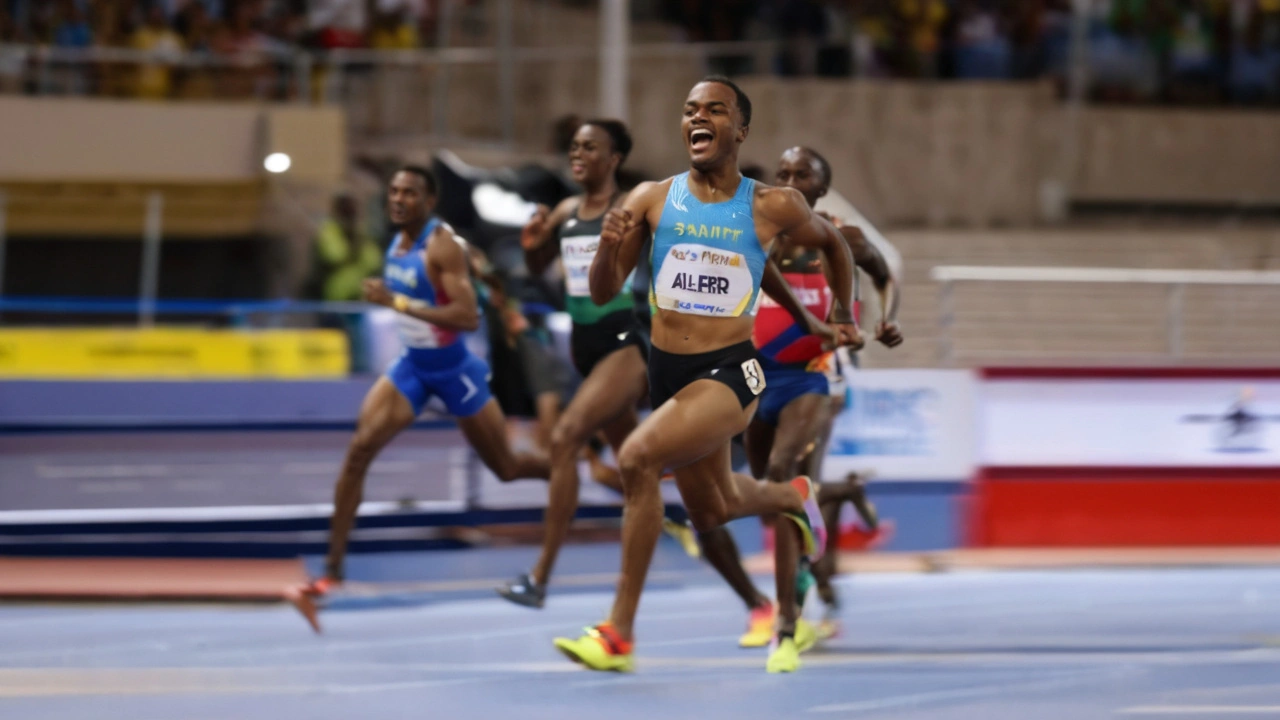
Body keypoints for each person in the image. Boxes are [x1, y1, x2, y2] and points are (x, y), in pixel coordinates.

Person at [552, 76, 859, 673]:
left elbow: (837, 248)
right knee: (714, 508)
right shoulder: (650, 198)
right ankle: (793, 498)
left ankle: (618, 633)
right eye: (691, 109)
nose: (699, 118)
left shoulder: (772, 205)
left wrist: (842, 313)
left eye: (715, 110)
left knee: (638, 458)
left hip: (732, 371)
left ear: (739, 130)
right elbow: (604, 293)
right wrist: (609, 250)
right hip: (669, 372)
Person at [498, 119, 771, 620]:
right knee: (645, 478)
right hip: (584, 351)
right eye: (574, 146)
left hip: (625, 345)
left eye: (590, 147)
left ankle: (539, 580)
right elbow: (540, 273)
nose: (578, 154)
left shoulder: (637, 207)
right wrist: (535, 245)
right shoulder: (564, 211)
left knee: (566, 439)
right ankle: (725, 572)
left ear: (614, 158)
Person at [286, 167, 551, 633]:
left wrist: (399, 304)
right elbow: (481, 270)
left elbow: (467, 316)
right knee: (358, 452)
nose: (398, 199)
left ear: (429, 202)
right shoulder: (398, 242)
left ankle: (569, 468)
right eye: (393, 191)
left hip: (453, 372)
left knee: (507, 468)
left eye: (409, 193)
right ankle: (332, 571)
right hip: (412, 368)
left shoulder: (439, 243)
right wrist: (492, 286)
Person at [745, 146, 903, 670]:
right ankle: (821, 522)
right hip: (757, 377)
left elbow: (885, 275)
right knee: (772, 491)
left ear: (821, 188)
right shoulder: (759, 232)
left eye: (802, 174)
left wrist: (885, 320)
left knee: (787, 474)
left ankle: (792, 615)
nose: (788, 180)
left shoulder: (841, 238)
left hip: (818, 378)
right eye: (782, 172)